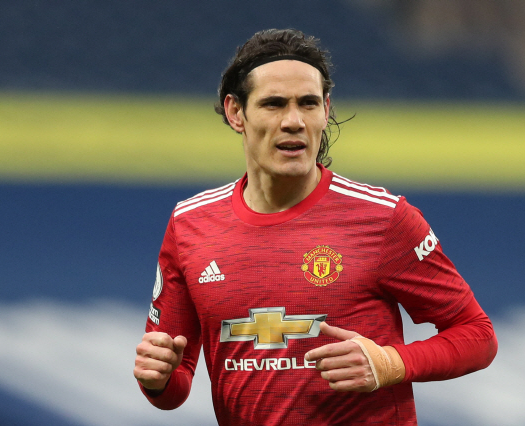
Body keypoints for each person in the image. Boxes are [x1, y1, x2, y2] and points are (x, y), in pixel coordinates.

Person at [133, 28, 497, 425]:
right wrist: (157, 379)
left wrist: (389, 363)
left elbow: (477, 335)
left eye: (308, 103)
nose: (294, 121)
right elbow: (173, 384)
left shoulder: (383, 218)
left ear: (326, 109)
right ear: (236, 112)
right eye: (274, 104)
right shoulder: (190, 224)